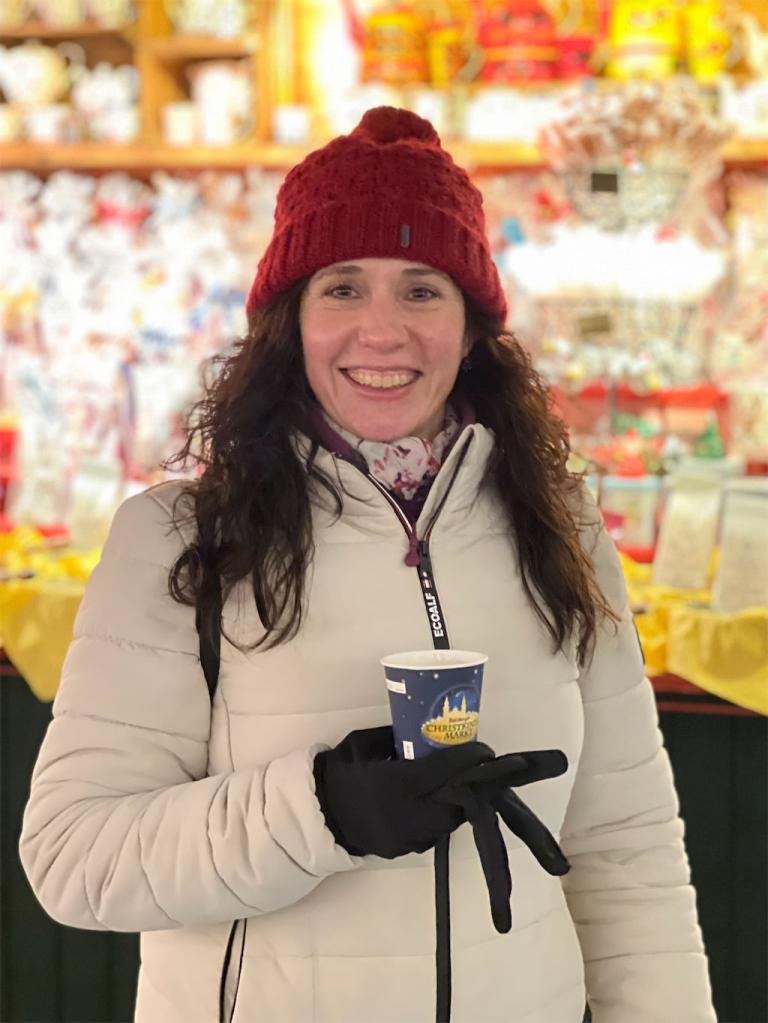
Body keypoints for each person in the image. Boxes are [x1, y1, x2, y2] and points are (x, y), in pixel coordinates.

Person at [20, 106, 716, 1023]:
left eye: (422, 290)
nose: (381, 332)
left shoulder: (561, 530)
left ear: (472, 328)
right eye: (342, 288)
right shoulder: (182, 540)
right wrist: (321, 812)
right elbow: (76, 858)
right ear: (291, 323)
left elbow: (628, 850)